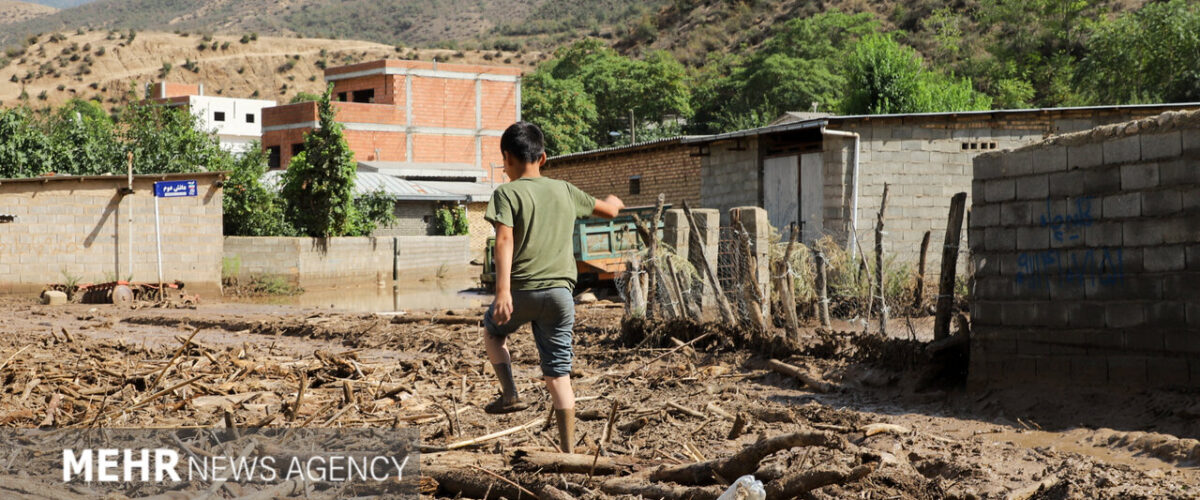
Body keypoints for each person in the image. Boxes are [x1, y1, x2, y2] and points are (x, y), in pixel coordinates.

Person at [482, 121, 624, 454]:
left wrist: (502, 292)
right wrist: (614, 202)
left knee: (493, 333)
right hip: (562, 296)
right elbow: (609, 212)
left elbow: (504, 239)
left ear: (507, 158)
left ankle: (509, 394)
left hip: (521, 294)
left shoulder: (506, 193)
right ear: (543, 158)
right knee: (559, 374)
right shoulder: (565, 190)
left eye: (504, 162)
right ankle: (569, 452)